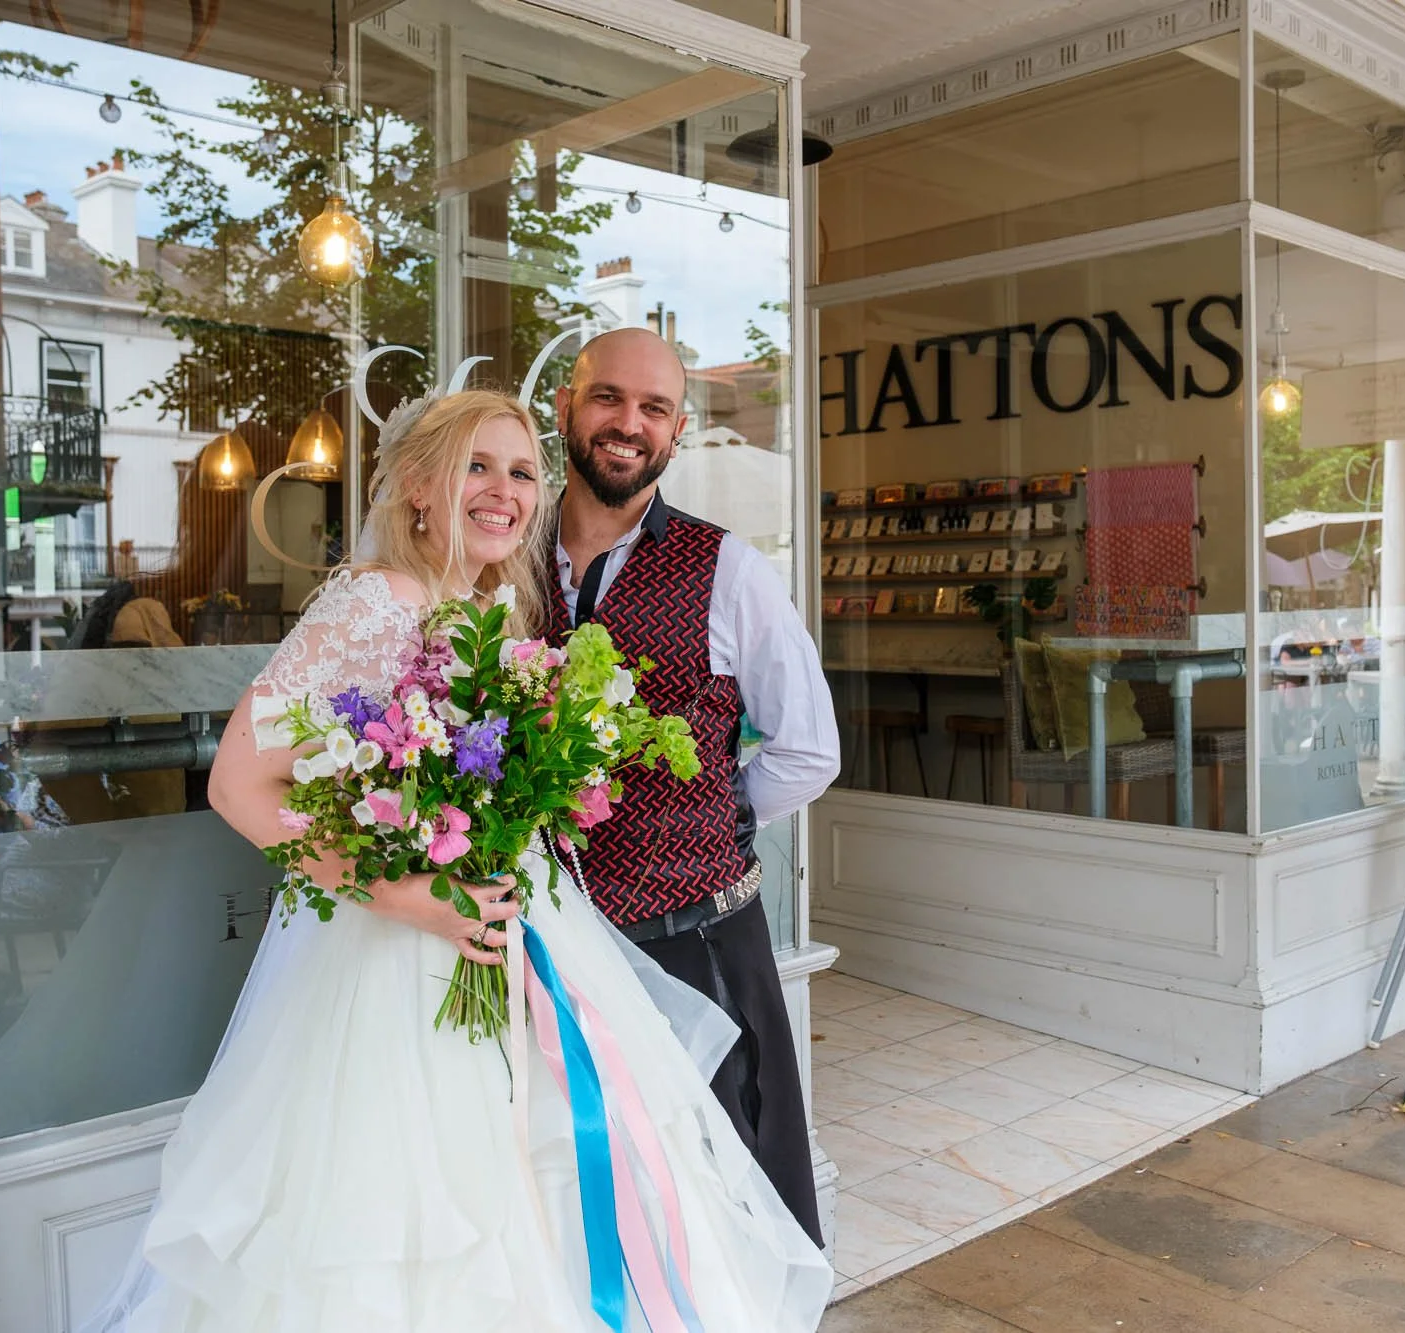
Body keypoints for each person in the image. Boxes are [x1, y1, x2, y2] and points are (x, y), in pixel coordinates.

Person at [78, 388, 830, 1332]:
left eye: (521, 471)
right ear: (420, 489)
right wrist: (405, 893)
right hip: (401, 964)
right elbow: (238, 783)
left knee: (551, 1196)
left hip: (519, 940)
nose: (505, 491)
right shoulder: (375, 600)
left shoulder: (493, 612)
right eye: (478, 465)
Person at [543, 328, 838, 1246]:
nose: (628, 424)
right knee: (584, 1196)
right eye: (608, 399)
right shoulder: (502, 560)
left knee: (730, 1196)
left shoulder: (728, 569)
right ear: (565, 405)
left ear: (675, 431)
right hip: (550, 950)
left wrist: (716, 813)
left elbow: (808, 748)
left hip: (694, 942)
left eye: (655, 408)